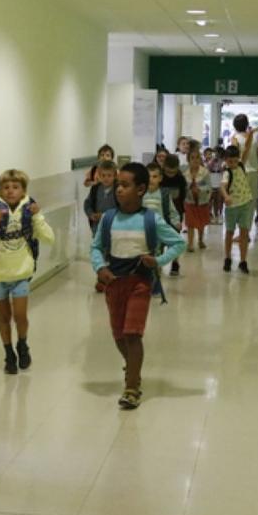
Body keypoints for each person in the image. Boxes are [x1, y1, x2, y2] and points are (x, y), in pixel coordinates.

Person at [92, 163, 185, 410]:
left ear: (141, 189)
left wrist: (159, 261)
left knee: (133, 334)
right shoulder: (109, 219)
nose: (119, 190)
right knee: (119, 336)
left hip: (140, 284)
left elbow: (178, 242)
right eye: (117, 185)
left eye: (125, 185)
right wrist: (100, 268)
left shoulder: (150, 219)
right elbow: (95, 247)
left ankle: (132, 386)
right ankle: (133, 366)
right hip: (113, 283)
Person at [0, 169, 55, 374]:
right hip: (0, 274)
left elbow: (49, 238)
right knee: (3, 316)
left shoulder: (30, 211)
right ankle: (9, 352)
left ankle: (22, 344)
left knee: (20, 315)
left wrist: (37, 217)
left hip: (22, 273)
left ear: (24, 190)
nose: (10, 191)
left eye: (15, 187)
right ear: (0, 191)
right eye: (6, 187)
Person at [83, 160, 119, 292]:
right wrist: (91, 214)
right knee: (99, 253)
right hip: (98, 228)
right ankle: (101, 279)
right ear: (99, 175)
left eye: (109, 175)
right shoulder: (95, 189)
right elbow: (87, 204)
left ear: (115, 175)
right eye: (103, 175)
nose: (106, 178)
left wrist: (104, 215)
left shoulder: (118, 189)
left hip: (114, 229)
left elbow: (122, 208)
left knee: (112, 254)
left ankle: (113, 279)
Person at [221, 144, 256, 274]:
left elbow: (246, 150)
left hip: (245, 204)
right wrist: (226, 197)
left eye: (236, 161)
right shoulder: (227, 172)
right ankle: (227, 258)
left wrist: (250, 136)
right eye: (230, 161)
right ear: (226, 160)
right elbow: (222, 187)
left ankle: (243, 261)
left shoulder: (241, 166)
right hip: (232, 207)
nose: (233, 164)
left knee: (244, 233)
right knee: (229, 232)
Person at [160, 155, 188, 275]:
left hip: (176, 213)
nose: (170, 174)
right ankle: (159, 262)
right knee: (159, 239)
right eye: (168, 172)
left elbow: (183, 197)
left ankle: (175, 263)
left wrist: (182, 216)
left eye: (173, 172)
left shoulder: (181, 179)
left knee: (174, 238)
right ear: (163, 167)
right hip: (161, 212)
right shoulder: (160, 178)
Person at [184, 144, 212, 252]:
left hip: (202, 201)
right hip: (189, 201)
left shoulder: (204, 172)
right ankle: (190, 243)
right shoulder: (185, 173)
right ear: (188, 160)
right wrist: (189, 188)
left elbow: (209, 186)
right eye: (192, 158)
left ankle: (200, 240)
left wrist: (200, 189)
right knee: (190, 223)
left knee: (201, 223)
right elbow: (184, 187)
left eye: (197, 158)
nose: (195, 160)